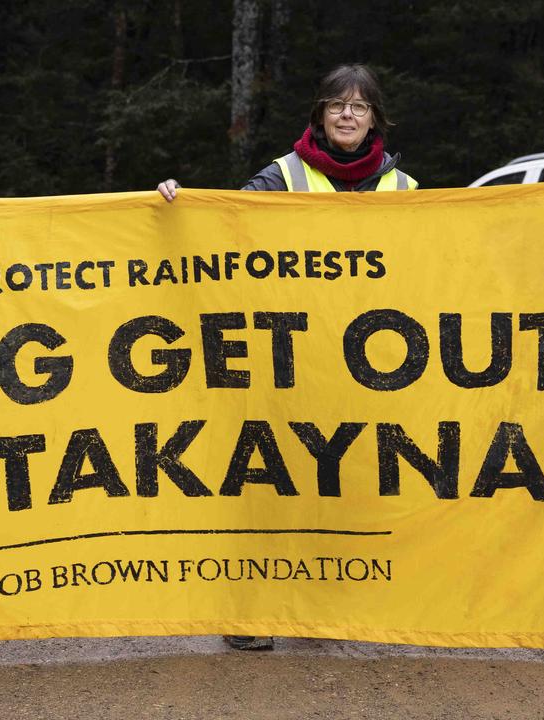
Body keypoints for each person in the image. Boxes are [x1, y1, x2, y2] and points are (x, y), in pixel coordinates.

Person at [158, 64, 416, 650]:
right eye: (336, 105)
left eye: (359, 106)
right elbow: (224, 228)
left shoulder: (406, 192)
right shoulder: (282, 176)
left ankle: (327, 605)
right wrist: (177, 205)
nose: (347, 115)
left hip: (363, 370)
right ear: (319, 114)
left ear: (376, 117)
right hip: (285, 361)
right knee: (267, 485)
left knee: (346, 485)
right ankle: (250, 611)